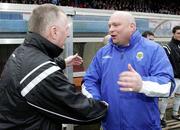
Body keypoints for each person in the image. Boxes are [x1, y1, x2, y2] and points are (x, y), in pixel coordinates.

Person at [0, 4, 108, 130]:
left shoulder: (22, 52)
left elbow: (33, 72)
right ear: (54, 31)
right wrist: (108, 104)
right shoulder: (41, 73)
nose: (68, 34)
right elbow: (82, 110)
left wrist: (63, 62)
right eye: (66, 29)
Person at [82, 11, 175, 130]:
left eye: (116, 25)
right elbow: (89, 81)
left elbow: (167, 85)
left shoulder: (153, 50)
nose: (111, 29)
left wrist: (142, 84)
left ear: (131, 27)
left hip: (144, 126)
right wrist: (96, 101)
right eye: (109, 26)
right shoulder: (103, 53)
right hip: (109, 126)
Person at [159, 26, 180, 127]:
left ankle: (175, 113)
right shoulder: (167, 47)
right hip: (173, 77)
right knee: (166, 97)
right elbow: (164, 63)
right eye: (178, 33)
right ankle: (161, 117)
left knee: (178, 97)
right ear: (173, 34)